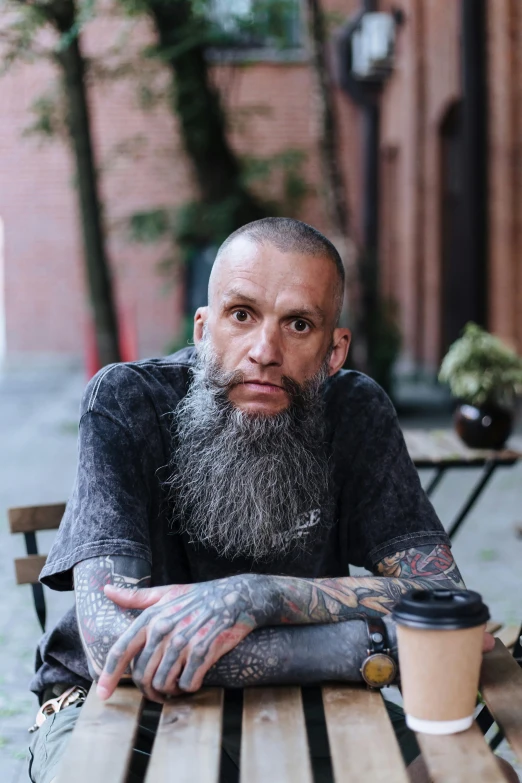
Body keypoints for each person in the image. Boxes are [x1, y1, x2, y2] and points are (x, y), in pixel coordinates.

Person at [27, 218, 515, 783]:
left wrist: (260, 595)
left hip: (316, 701)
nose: (264, 350)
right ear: (203, 329)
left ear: (334, 351)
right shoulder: (126, 401)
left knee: (479, 778)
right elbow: (116, 642)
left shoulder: (355, 413)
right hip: (124, 707)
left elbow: (438, 597)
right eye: (241, 315)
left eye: (299, 324)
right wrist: (366, 646)